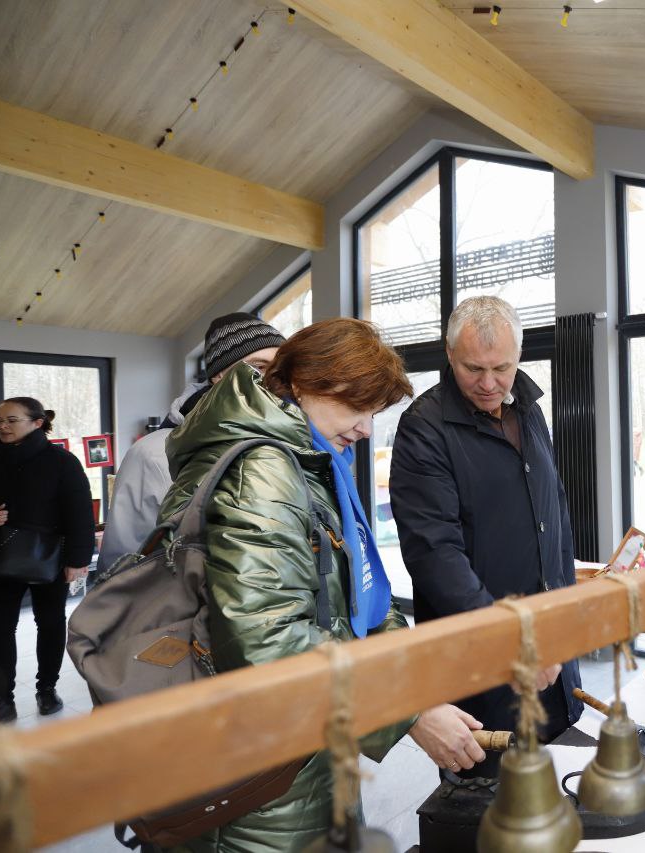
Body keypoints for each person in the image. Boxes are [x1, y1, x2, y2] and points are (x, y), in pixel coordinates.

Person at [157, 318, 421, 849]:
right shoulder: (263, 471)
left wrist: (410, 681)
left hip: (302, 745)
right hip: (260, 770)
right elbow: (268, 641)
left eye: (374, 413)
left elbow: (357, 589)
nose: (365, 429)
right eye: (359, 408)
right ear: (304, 383)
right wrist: (404, 715)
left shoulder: (311, 462)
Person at [390, 296, 582, 779]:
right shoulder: (424, 428)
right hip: (481, 660)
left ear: (519, 356)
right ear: (449, 354)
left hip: (549, 649)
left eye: (502, 368)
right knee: (492, 797)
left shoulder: (530, 410)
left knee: (563, 786)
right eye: (473, 368)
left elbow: (554, 513)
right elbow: (435, 556)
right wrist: (511, 642)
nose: (490, 383)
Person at [97, 312, 285, 575]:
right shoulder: (154, 453)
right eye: (259, 366)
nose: (273, 379)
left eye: (280, 369)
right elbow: (120, 564)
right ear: (219, 375)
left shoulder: (289, 444)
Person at [0, 398, 95, 723]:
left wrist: (78, 560)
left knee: (50, 624)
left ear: (37, 423)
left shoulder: (62, 461)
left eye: (11, 420)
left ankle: (47, 690)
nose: (2, 426)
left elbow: (80, 515)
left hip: (51, 558)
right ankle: (2, 699)